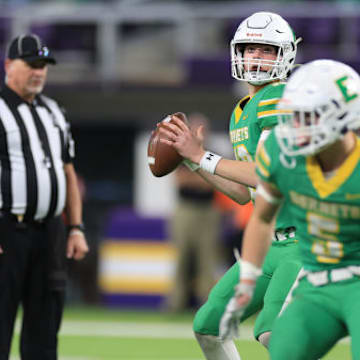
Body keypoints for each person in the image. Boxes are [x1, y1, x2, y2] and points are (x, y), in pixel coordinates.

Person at [159, 12, 302, 360]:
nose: (256, 57)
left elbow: (266, 174)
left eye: (267, 50)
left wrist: (203, 156)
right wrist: (194, 161)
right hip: (267, 244)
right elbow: (243, 193)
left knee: (272, 334)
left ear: (286, 55)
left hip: (301, 240)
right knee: (208, 326)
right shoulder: (242, 110)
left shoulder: (281, 98)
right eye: (250, 48)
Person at [229, 59, 360, 359]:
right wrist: (248, 276)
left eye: (310, 114)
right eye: (295, 114)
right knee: (283, 348)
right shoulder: (280, 150)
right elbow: (261, 218)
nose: (298, 125)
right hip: (317, 283)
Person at [0, 34, 89, 360]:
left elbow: (68, 172)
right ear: (9, 65)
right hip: (6, 230)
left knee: (45, 328)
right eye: (31, 64)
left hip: (50, 232)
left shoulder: (54, 111)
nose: (38, 72)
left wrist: (76, 227)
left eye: (43, 66)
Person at [167, 113, 222, 312]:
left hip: (208, 210)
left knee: (207, 258)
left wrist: (201, 179)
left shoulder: (211, 152)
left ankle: (207, 304)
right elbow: (182, 180)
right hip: (186, 210)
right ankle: (176, 302)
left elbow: (214, 186)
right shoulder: (181, 153)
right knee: (181, 257)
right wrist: (204, 178)